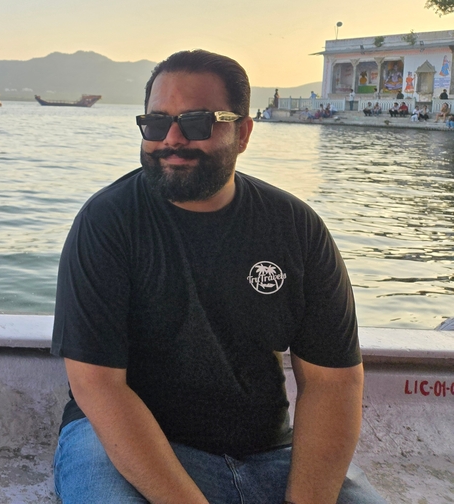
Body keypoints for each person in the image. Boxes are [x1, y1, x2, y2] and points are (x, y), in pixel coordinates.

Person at [52, 50, 384, 504]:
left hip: (269, 451)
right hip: (126, 443)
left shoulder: (294, 228)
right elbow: (97, 384)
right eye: (155, 123)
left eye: (196, 123)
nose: (171, 139)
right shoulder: (108, 222)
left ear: (243, 132)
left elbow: (332, 382)